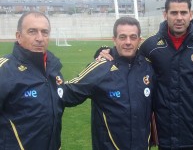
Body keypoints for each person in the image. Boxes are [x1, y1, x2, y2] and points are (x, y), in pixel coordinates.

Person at [97, 0, 193, 149]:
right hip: (163, 131)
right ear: (165, 14)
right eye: (174, 13)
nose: (179, 18)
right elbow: (128, 54)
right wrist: (106, 52)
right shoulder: (151, 45)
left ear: (191, 14)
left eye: (183, 12)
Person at [63, 17, 155, 150]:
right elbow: (67, 93)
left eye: (133, 37)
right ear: (114, 39)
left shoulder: (148, 67)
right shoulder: (101, 67)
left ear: (139, 40)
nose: (128, 42)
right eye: (122, 37)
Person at [0, 11, 64, 149]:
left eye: (44, 32)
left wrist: (108, 53)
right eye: (32, 31)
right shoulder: (4, 70)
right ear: (19, 36)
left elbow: (67, 94)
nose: (40, 38)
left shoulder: (53, 68)